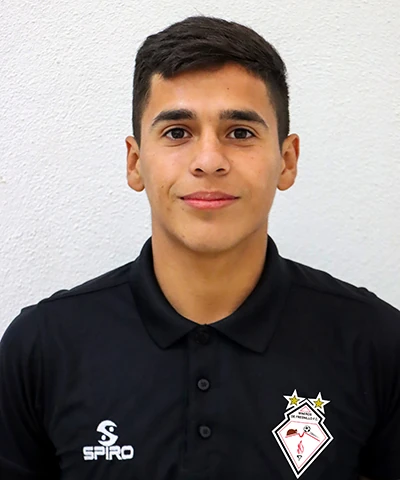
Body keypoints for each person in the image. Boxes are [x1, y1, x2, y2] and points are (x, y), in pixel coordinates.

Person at [0, 15, 399, 480]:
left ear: (287, 161)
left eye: (240, 133)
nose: (209, 161)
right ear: (135, 162)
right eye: (177, 132)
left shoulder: (376, 344)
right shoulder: (42, 348)